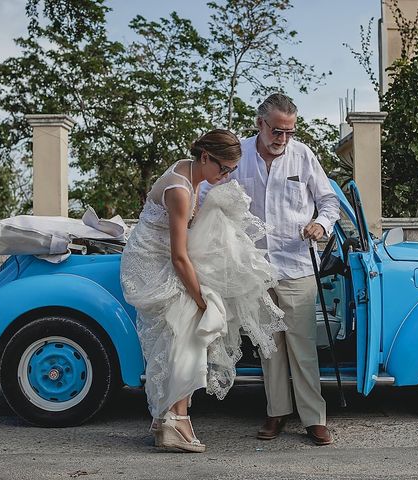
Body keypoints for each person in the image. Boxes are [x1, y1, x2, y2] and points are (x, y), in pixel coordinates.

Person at [120, 129, 286, 453]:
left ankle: (169, 417)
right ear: (205, 157)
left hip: (166, 257)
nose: (224, 177)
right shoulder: (180, 189)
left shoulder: (192, 172)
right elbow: (179, 257)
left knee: (183, 335)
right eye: (223, 168)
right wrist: (199, 301)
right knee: (191, 326)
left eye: (231, 172)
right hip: (150, 265)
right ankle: (174, 421)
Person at [200, 94, 340, 445]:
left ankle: (314, 418)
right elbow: (205, 191)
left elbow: (329, 202)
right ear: (260, 124)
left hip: (297, 266)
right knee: (269, 347)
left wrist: (321, 225)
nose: (283, 138)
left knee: (302, 347)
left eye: (290, 132)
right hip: (254, 269)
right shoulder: (238, 156)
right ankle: (276, 412)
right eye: (277, 131)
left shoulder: (304, 155)